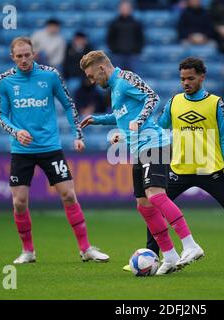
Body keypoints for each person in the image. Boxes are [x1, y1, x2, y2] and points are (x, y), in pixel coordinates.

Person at [130, 57, 224, 272]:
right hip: (179, 169)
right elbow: (158, 129)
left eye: (190, 78)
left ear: (202, 77)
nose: (186, 82)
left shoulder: (215, 103)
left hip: (210, 170)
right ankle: (152, 257)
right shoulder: (174, 102)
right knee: (156, 208)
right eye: (182, 79)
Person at [79, 50, 204, 275]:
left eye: (91, 76)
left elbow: (152, 96)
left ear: (101, 68)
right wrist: (97, 119)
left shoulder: (125, 78)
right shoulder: (116, 90)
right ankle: (170, 256)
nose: (92, 81)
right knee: (144, 205)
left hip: (154, 143)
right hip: (138, 149)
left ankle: (190, 245)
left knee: (156, 196)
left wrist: (139, 119)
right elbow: (120, 117)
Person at [0, 37, 109, 265]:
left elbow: (68, 104)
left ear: (34, 53)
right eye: (19, 56)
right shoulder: (5, 81)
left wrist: (78, 135)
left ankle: (86, 248)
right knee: (19, 202)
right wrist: (17, 132)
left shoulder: (50, 75)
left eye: (27, 54)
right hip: (22, 150)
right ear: (13, 57)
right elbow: (2, 116)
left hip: (50, 147)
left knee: (68, 195)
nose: (24, 59)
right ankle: (28, 251)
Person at [106, 0, 144, 72]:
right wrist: (114, 50)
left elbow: (140, 38)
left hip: (132, 56)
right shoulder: (114, 24)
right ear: (119, 9)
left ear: (130, 9)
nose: (125, 10)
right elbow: (110, 39)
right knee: (117, 77)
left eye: (126, 8)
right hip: (118, 55)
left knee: (134, 79)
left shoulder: (136, 24)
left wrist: (136, 50)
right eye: (123, 8)